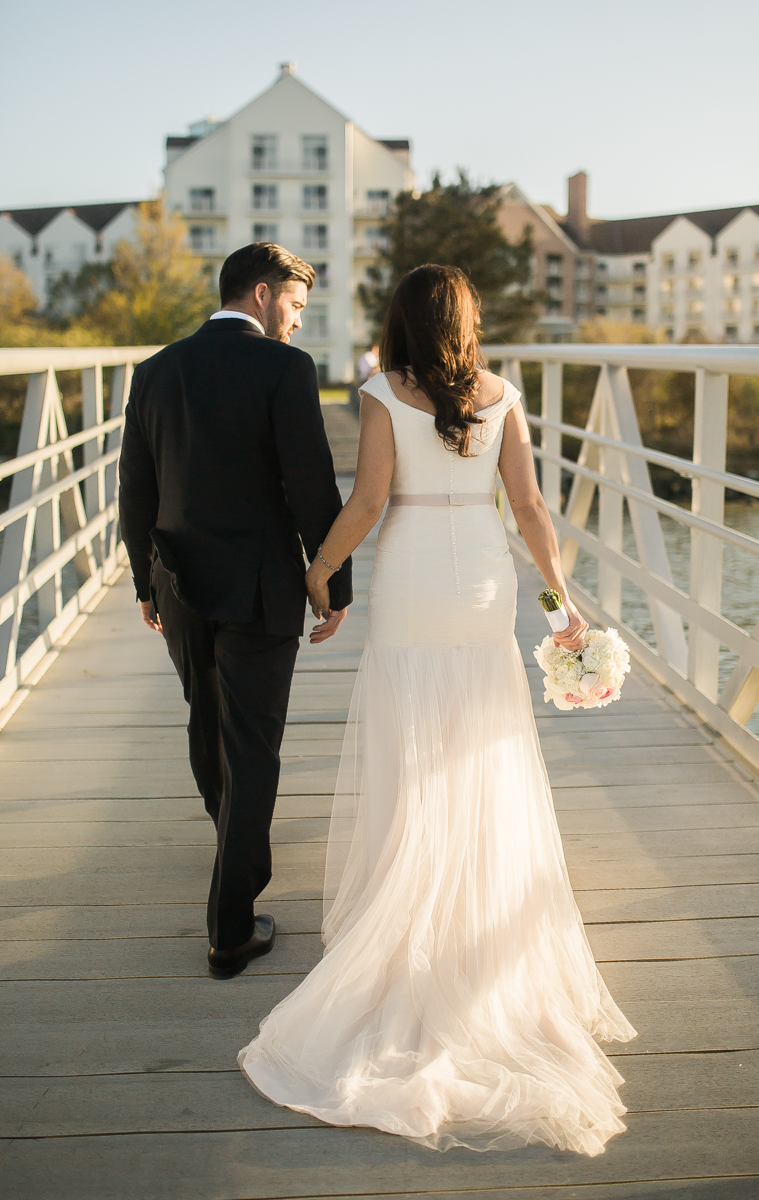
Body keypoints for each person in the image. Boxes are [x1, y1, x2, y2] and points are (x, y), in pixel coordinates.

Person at [239, 264, 636, 1156]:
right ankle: (480, 909)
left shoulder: (383, 390)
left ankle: (408, 899)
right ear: (466, 319)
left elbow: (372, 502)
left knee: (411, 747)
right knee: (483, 744)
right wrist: (563, 602)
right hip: (486, 587)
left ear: (400, 322)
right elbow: (529, 506)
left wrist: (317, 570)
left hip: (416, 583)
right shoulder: (502, 393)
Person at [118, 242, 352, 980]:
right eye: (294, 304)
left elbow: (135, 489)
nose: (296, 321)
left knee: (206, 724)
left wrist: (142, 583)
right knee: (251, 745)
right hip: (260, 587)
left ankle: (233, 852)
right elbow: (311, 482)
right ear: (259, 293)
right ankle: (230, 926)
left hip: (178, 583)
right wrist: (333, 583)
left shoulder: (154, 371)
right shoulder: (284, 369)